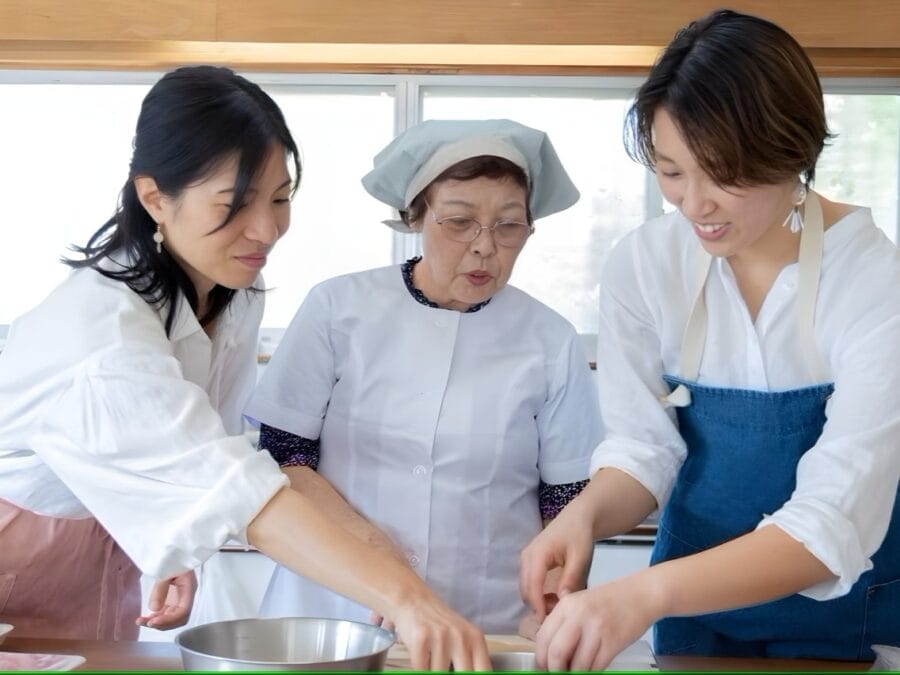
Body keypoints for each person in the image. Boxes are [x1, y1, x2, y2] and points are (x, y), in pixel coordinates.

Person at [0, 66, 491, 671]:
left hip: (101, 541)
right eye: (234, 204)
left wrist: (169, 537)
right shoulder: (101, 339)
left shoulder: (236, 288)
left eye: (280, 198)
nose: (266, 230)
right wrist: (410, 599)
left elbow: (204, 441)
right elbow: (240, 493)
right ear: (155, 197)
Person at [519, 9, 900, 670]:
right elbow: (645, 447)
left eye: (722, 173)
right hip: (693, 618)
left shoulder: (872, 280)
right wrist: (581, 517)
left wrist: (642, 594)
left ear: (793, 149)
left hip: (846, 617)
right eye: (672, 172)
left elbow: (829, 521)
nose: (695, 205)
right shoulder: (644, 264)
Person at [244, 118, 603, 634]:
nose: (485, 246)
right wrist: (377, 563)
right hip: (336, 605)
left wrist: (555, 601)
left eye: (508, 225)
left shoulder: (551, 339)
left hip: (490, 618)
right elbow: (284, 455)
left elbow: (566, 499)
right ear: (414, 216)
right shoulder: (338, 308)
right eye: (459, 221)